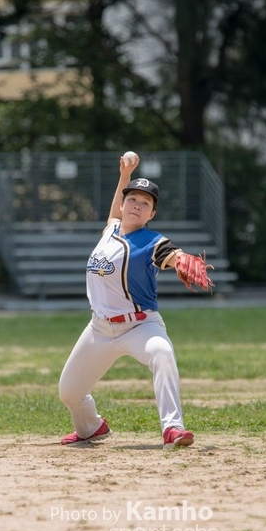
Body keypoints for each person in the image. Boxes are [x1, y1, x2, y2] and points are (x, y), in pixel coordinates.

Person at [59, 153, 204, 449]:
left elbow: (169, 254)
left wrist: (180, 259)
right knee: (69, 392)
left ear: (151, 214)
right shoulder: (111, 230)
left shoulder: (152, 241)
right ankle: (91, 427)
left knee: (162, 352)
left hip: (140, 326)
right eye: (132, 199)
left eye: (145, 203)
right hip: (99, 329)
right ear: (124, 204)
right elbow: (114, 213)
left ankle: (173, 428)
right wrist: (124, 175)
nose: (137, 205)